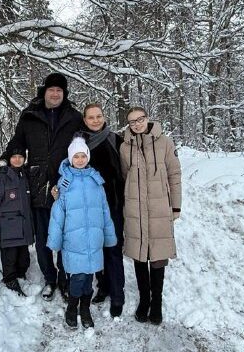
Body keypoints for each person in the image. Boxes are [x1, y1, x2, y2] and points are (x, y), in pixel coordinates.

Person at [0, 72, 83, 300]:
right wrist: (1, 165)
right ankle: (50, 280)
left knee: (65, 238)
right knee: (42, 240)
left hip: (65, 186)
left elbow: (83, 147)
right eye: (51, 90)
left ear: (64, 94)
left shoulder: (73, 117)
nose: (55, 94)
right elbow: (16, 144)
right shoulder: (30, 116)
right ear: (44, 92)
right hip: (37, 185)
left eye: (59, 91)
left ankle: (65, 279)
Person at [119, 106, 182, 325]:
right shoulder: (125, 147)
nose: (137, 124)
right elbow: (125, 176)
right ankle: (144, 299)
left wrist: (176, 206)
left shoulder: (164, 142)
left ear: (147, 119)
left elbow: (174, 174)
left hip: (159, 208)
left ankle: (157, 302)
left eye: (140, 119)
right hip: (135, 208)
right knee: (139, 254)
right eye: (132, 121)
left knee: (157, 256)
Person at [47, 136, 117, 328]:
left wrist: (109, 236)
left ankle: (85, 308)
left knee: (89, 278)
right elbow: (58, 212)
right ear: (70, 158)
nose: (79, 160)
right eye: (76, 156)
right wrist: (55, 240)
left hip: (94, 240)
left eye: (82, 156)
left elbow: (104, 210)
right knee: (77, 278)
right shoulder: (64, 183)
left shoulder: (96, 180)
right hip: (74, 240)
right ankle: (72, 307)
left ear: (87, 156)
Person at [77, 103, 126, 317]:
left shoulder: (115, 139)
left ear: (104, 117)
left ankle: (118, 296)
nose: (95, 120)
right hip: (90, 207)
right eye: (91, 117)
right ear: (85, 119)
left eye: (98, 116)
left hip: (113, 205)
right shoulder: (79, 143)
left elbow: (129, 169)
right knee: (96, 249)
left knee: (113, 250)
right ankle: (103, 286)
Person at [0, 145, 33, 296]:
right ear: (9, 159)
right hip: (8, 227)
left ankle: (20, 275)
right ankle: (10, 280)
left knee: (24, 258)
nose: (17, 159)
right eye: (14, 157)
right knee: (9, 257)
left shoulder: (26, 175)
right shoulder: (2, 177)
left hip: (24, 227)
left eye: (20, 157)